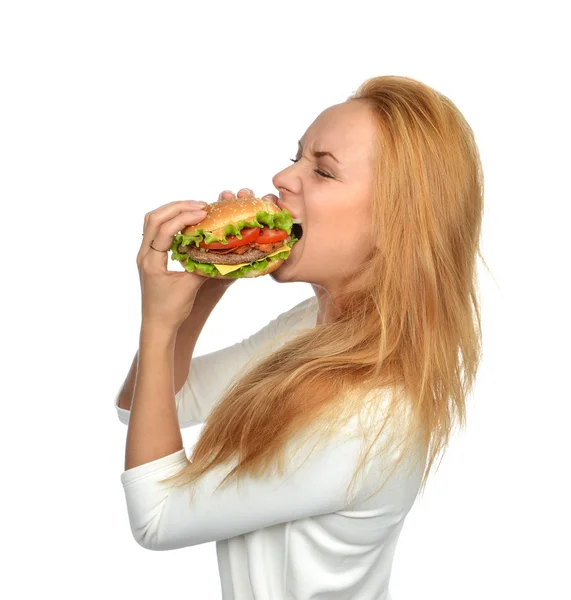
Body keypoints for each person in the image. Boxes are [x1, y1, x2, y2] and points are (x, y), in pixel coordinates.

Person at [115, 75, 485, 599]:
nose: (282, 177)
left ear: (396, 223)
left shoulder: (371, 414)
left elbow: (156, 516)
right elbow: (149, 406)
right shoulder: (313, 328)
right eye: (296, 156)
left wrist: (156, 327)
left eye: (323, 170)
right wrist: (210, 277)